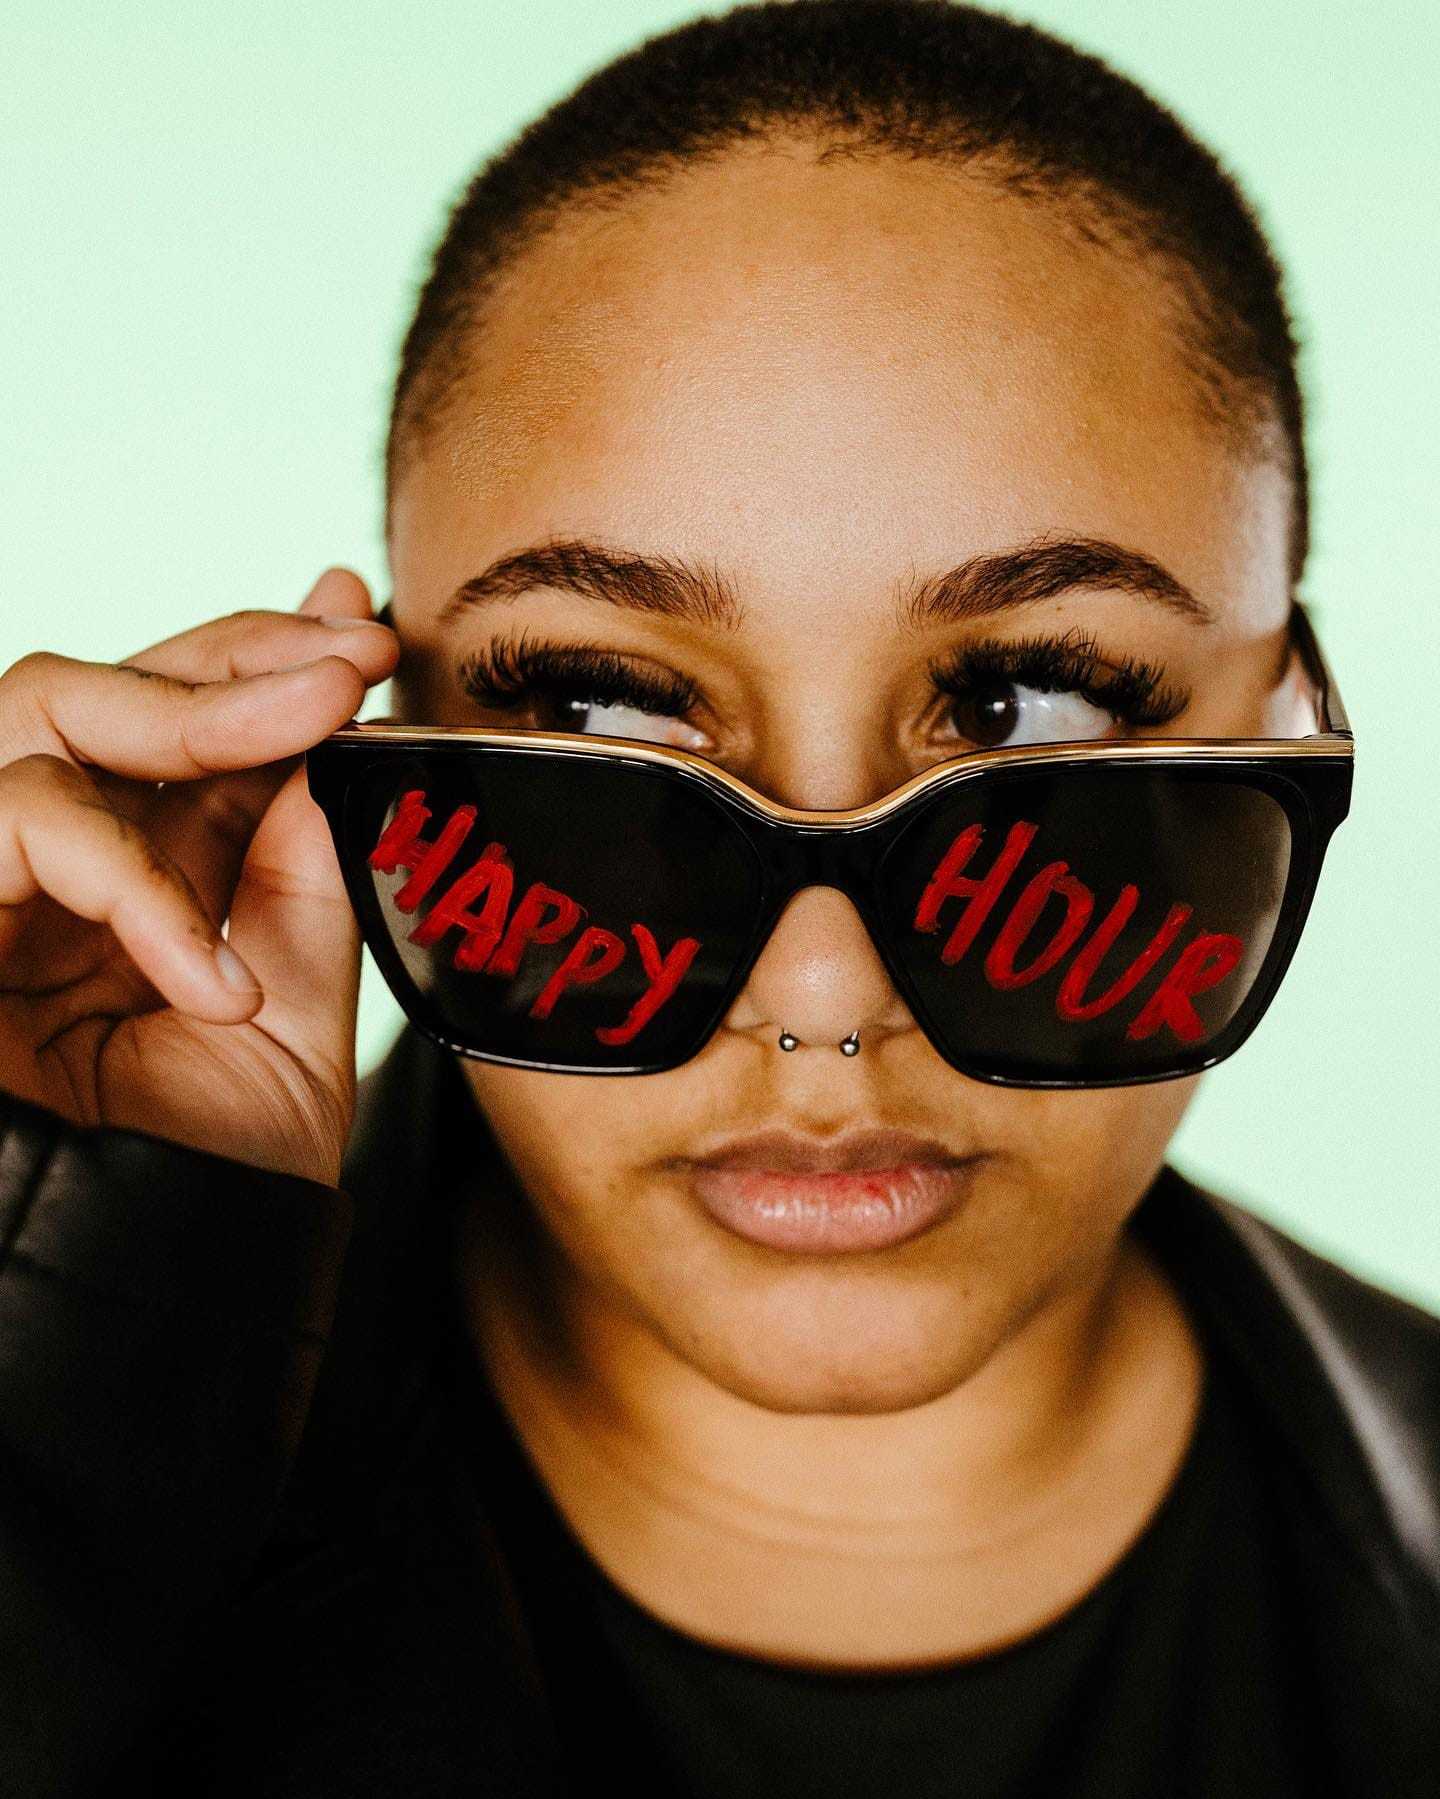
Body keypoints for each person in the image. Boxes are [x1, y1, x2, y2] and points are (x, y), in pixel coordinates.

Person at [0, 2, 1435, 1794]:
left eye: (1029, 701)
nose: (822, 994)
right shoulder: (68, 1431)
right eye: (600, 705)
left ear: (1297, 724)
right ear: (361, 718)